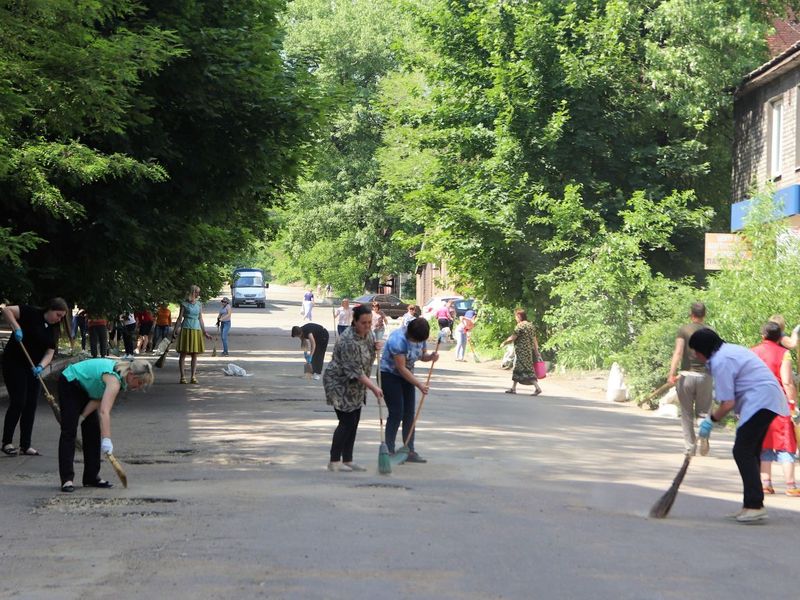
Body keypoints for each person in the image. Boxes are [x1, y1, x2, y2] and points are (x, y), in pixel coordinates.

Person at [691, 328, 789, 523]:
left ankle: (754, 505)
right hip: (766, 399)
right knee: (750, 452)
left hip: (761, 401)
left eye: (695, 351)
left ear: (702, 350)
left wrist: (710, 421)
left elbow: (728, 403)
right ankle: (751, 505)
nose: (694, 355)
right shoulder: (727, 351)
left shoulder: (721, 361)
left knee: (742, 451)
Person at [57, 358, 153, 492]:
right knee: (69, 432)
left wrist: (82, 417)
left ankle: (91, 477)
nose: (139, 387)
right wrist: (107, 439)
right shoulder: (114, 380)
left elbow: (99, 398)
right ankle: (67, 479)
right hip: (71, 382)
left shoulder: (121, 378)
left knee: (93, 431)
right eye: (140, 382)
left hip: (87, 389)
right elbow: (104, 411)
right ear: (131, 375)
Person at [1, 299, 70, 456]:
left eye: (61, 317)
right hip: (14, 363)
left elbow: (49, 352)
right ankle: (7, 442)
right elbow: (6, 310)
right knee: (19, 401)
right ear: (50, 309)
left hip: (33, 367)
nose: (58, 319)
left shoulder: (52, 329)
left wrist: (41, 366)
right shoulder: (31, 313)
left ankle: (26, 445)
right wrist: (16, 327)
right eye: (58, 315)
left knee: (31, 404)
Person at [323, 304, 383, 472]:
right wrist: (374, 388)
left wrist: (376, 346)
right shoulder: (348, 340)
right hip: (339, 383)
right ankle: (334, 461)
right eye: (363, 323)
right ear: (354, 321)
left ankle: (348, 459)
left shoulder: (368, 334)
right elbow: (356, 371)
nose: (367, 326)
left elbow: (368, 351)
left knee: (354, 420)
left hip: (356, 386)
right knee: (346, 421)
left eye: (369, 322)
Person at [380, 317, 439, 463]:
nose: (418, 343)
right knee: (396, 412)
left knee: (409, 414)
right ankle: (390, 450)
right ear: (409, 333)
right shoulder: (398, 339)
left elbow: (421, 356)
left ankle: (409, 450)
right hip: (390, 375)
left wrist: (430, 357)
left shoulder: (420, 335)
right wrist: (419, 385)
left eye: (420, 341)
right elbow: (401, 368)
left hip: (407, 376)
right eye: (416, 340)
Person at [751, 322, 800, 496]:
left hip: (758, 404)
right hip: (779, 404)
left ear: (763, 335)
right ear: (780, 337)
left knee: (764, 444)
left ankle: (766, 484)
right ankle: (790, 485)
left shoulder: (753, 352)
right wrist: (793, 404)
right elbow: (787, 382)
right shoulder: (784, 353)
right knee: (786, 445)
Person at [667, 302, 713, 455]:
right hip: (705, 377)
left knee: (686, 413)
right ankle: (703, 431)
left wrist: (672, 373)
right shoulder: (710, 331)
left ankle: (690, 447)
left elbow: (678, 352)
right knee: (703, 412)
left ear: (691, 314)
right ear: (704, 315)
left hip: (686, 377)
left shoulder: (684, 330)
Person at [175, 285, 213, 384]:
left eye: (198, 292)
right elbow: (179, 318)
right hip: (186, 329)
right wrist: (175, 330)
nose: (198, 294)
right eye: (197, 292)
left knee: (194, 354)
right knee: (183, 353)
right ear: (193, 292)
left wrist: (205, 332)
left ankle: (193, 376)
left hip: (196, 329)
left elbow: (200, 318)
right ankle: (182, 377)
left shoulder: (199, 304)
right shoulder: (184, 304)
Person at [500, 309, 542, 396]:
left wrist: (504, 342)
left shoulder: (520, 326)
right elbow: (534, 340)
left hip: (522, 351)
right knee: (518, 369)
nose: (515, 319)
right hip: (528, 352)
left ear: (519, 316)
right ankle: (513, 388)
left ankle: (537, 388)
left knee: (526, 370)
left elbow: (513, 337)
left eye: (516, 317)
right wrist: (537, 351)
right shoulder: (531, 326)